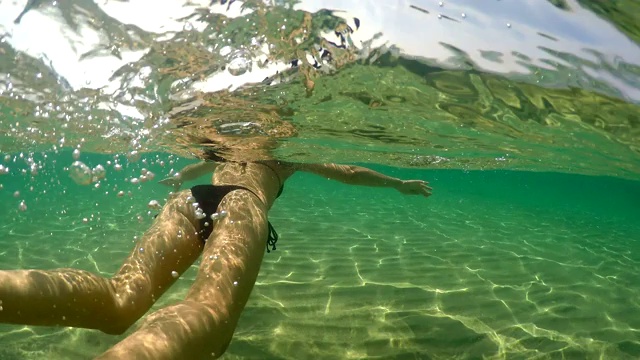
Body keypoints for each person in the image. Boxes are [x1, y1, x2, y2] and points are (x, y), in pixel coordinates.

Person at [0, 140, 432, 359]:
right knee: (211, 316)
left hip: (193, 197)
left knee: (118, 299)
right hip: (242, 202)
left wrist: (177, 180)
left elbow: (196, 167)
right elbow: (349, 172)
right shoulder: (287, 149)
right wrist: (397, 183)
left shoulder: (225, 141)